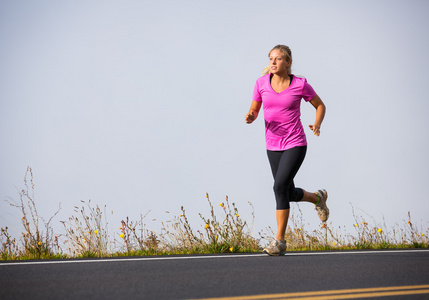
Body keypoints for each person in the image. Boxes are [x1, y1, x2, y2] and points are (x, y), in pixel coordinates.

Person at [245, 45, 329, 256]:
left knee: (279, 187)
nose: (273, 62)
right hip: (272, 145)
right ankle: (317, 198)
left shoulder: (300, 85)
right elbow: (255, 109)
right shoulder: (261, 83)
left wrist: (317, 124)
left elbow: (320, 105)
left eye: (278, 59)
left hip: (295, 143)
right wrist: (251, 116)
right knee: (287, 192)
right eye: (271, 58)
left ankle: (280, 241)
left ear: (288, 62)